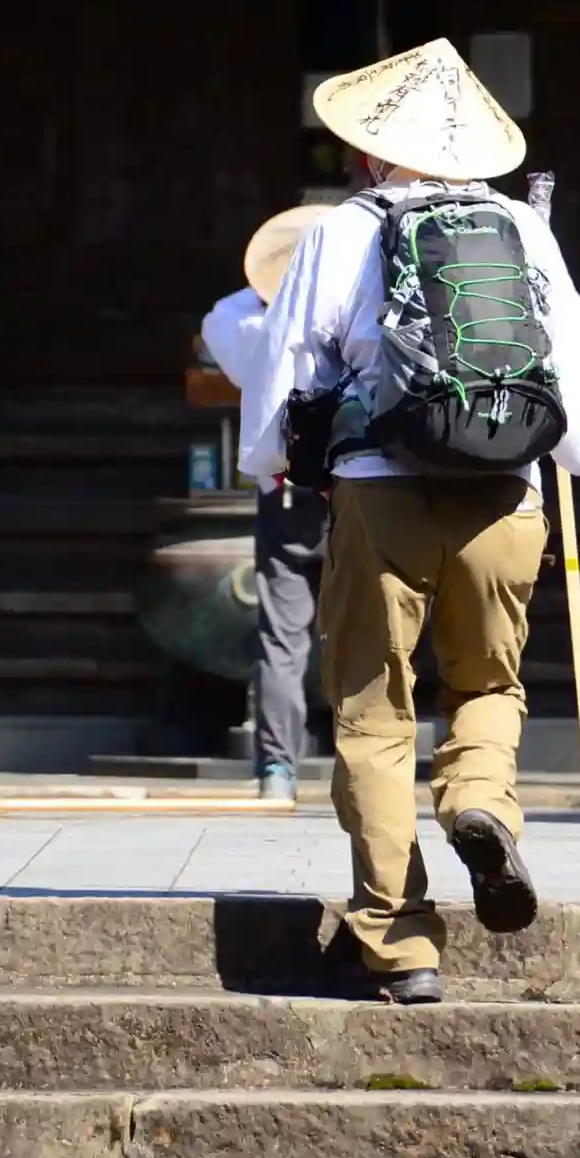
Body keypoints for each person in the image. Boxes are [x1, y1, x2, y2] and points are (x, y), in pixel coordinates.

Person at [240, 38, 580, 1004]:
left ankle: (401, 939)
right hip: (506, 494)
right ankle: (478, 804)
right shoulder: (520, 225)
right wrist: (569, 457)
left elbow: (289, 366)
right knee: (488, 681)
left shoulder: (341, 230)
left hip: (380, 490)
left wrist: (272, 461)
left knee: (373, 710)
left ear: (372, 151)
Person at [201, 205, 329, 803]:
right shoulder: (355, 318)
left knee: (282, 637)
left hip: (287, 493)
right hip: (357, 487)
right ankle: (372, 761)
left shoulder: (249, 327)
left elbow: (218, 316)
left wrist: (267, 283)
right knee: (371, 632)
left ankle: (278, 769)